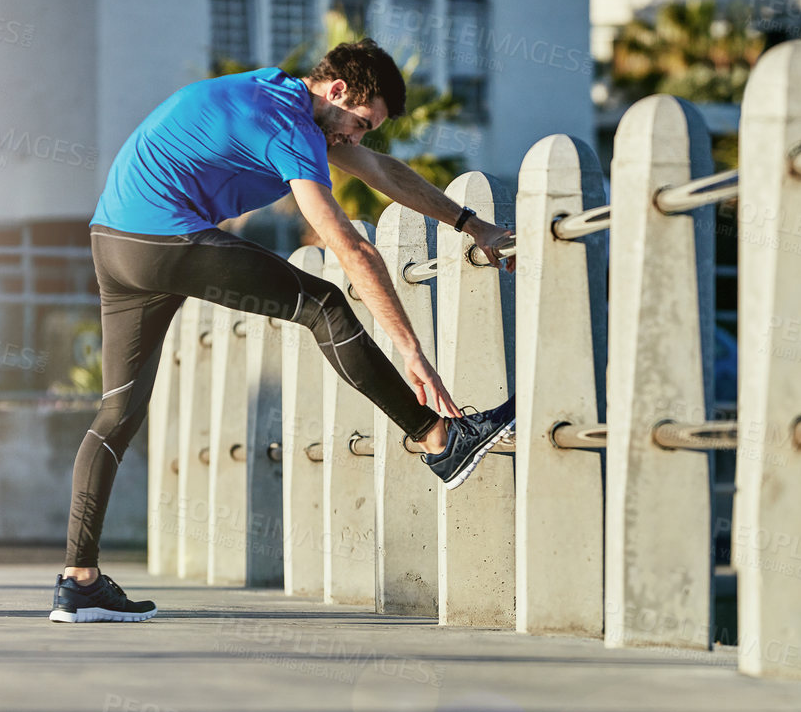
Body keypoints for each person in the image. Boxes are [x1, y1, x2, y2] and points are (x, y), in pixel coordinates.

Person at [49, 39, 515, 624]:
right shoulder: (289, 124)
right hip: (166, 237)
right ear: (338, 91)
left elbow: (383, 172)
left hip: (114, 244)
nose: (356, 140)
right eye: (360, 124)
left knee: (116, 412)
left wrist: (473, 225)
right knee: (324, 304)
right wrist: (413, 351)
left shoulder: (280, 99)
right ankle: (438, 438)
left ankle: (79, 580)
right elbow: (349, 245)